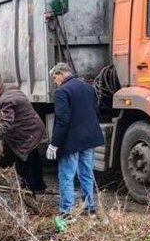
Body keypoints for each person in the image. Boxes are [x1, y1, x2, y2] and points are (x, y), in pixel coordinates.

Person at [45, 63, 105, 217]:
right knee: (86, 173)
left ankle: (67, 211)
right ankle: (89, 207)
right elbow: (95, 111)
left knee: (66, 175)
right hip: (88, 139)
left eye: (54, 78)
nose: (54, 81)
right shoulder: (88, 88)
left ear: (61, 74)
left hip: (71, 141)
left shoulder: (62, 92)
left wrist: (54, 144)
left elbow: (62, 120)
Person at [0, 75, 46, 194]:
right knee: (33, 156)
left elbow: (6, 124)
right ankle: (39, 187)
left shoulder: (5, 100)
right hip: (34, 129)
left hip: (26, 133)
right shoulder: (13, 90)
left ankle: (28, 194)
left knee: (22, 162)